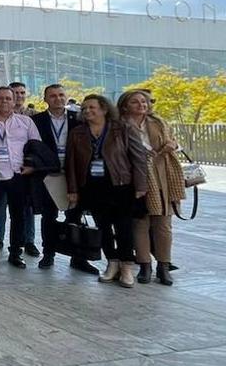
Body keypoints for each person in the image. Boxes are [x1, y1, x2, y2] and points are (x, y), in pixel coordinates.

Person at [66, 95, 148, 288]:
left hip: (120, 185)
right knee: (103, 228)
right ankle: (112, 262)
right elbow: (70, 163)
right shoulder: (77, 133)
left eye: (92, 107)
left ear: (104, 109)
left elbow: (139, 158)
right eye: (84, 108)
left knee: (123, 227)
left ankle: (126, 265)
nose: (87, 111)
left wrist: (141, 185)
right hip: (92, 187)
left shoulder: (122, 129)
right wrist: (73, 189)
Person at [119, 89, 181, 286]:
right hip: (133, 179)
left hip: (162, 176)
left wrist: (171, 146)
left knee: (163, 224)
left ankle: (164, 265)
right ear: (125, 105)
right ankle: (145, 264)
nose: (141, 105)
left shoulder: (158, 122)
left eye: (144, 102)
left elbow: (175, 143)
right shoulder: (119, 126)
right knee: (140, 223)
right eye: (136, 102)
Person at [0, 86, 41, 269]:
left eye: (8, 98)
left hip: (19, 176)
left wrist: (31, 165)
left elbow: (36, 146)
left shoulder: (25, 122)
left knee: (18, 216)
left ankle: (15, 253)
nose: (5, 101)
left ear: (14, 101)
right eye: (1, 98)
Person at [31, 84, 86, 272]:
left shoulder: (78, 118)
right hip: (49, 175)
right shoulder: (36, 120)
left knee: (75, 215)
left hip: (74, 175)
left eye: (61, 95)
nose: (58, 99)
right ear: (45, 99)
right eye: (52, 96)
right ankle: (48, 253)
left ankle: (78, 257)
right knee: (49, 216)